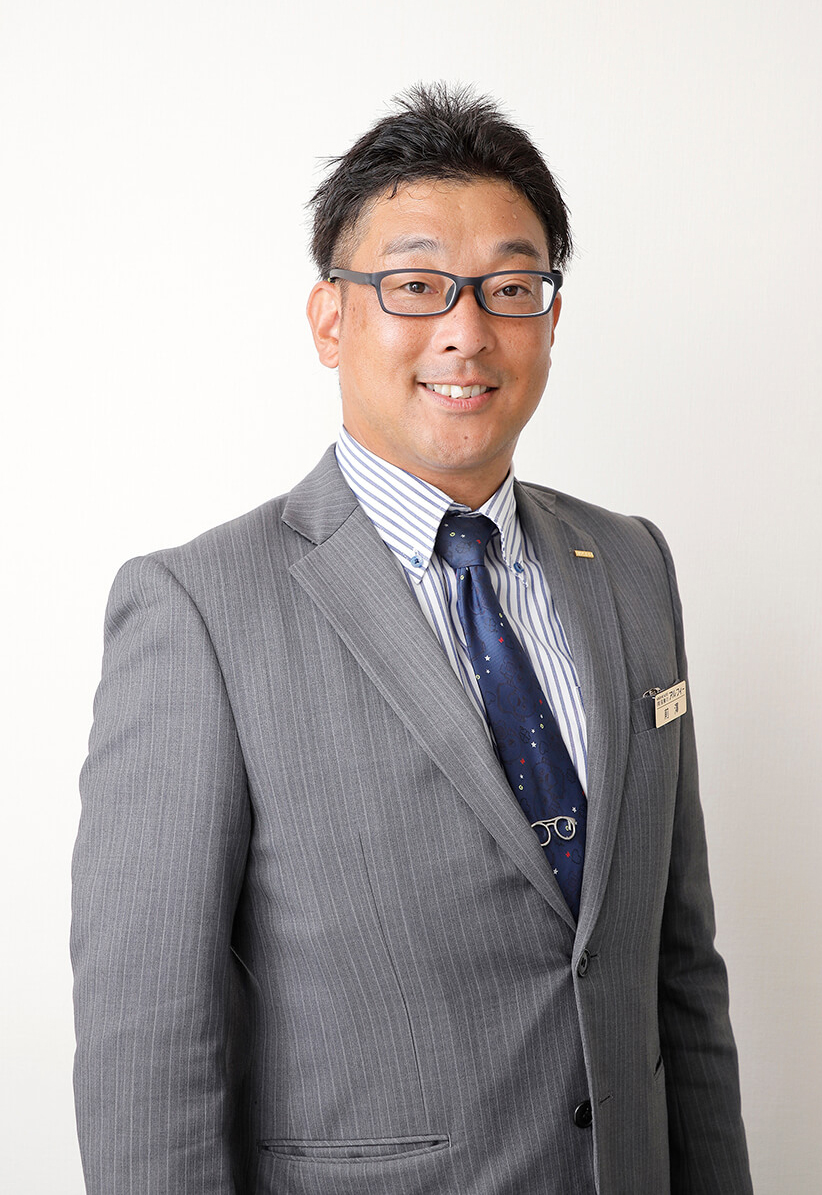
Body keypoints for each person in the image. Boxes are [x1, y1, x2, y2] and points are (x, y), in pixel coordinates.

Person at [71, 84, 753, 1194]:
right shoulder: (197, 611)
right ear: (330, 319)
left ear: (550, 319)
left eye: (511, 287)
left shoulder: (633, 565)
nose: (466, 331)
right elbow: (147, 1054)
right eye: (416, 284)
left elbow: (679, 972)